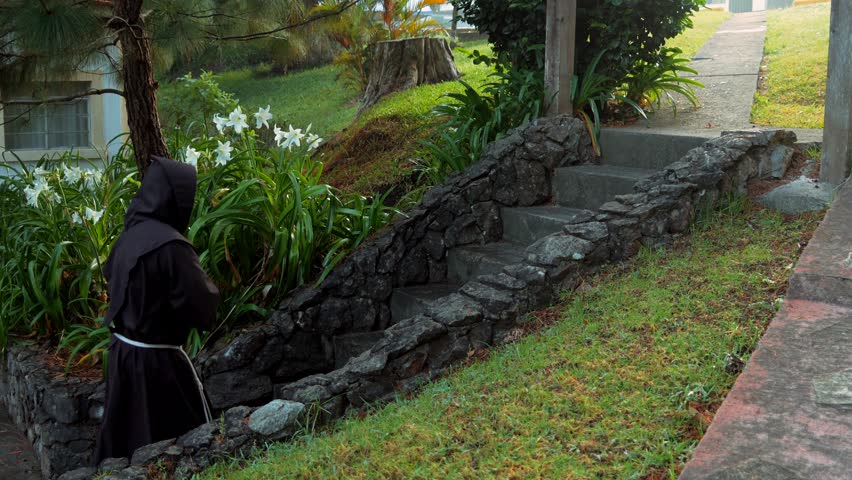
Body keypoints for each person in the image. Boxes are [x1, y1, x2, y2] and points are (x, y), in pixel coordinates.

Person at [95, 156, 220, 462]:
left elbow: (112, 277)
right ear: (176, 198)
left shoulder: (128, 238)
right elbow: (203, 307)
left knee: (129, 440)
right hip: (159, 366)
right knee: (176, 447)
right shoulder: (172, 248)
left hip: (123, 356)